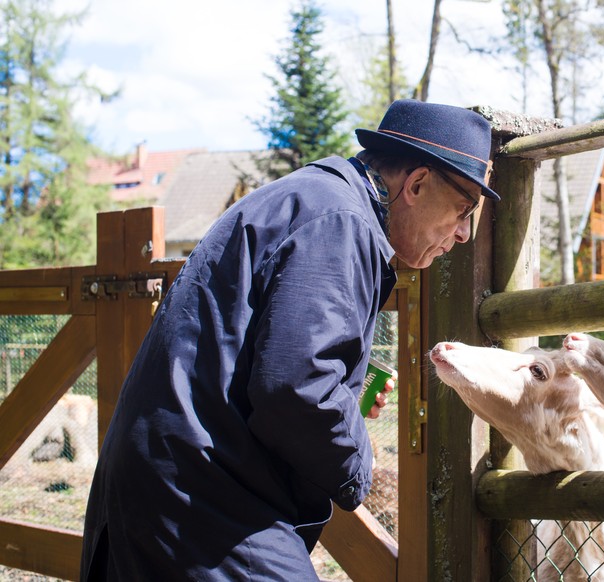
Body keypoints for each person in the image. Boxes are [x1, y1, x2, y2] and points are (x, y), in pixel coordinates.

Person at [79, 99, 501, 580]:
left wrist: (344, 399)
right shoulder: (340, 223)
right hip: (203, 500)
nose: (465, 233)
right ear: (418, 183)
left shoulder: (313, 199)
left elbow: (269, 363)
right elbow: (296, 388)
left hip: (171, 480)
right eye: (464, 209)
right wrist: (358, 456)